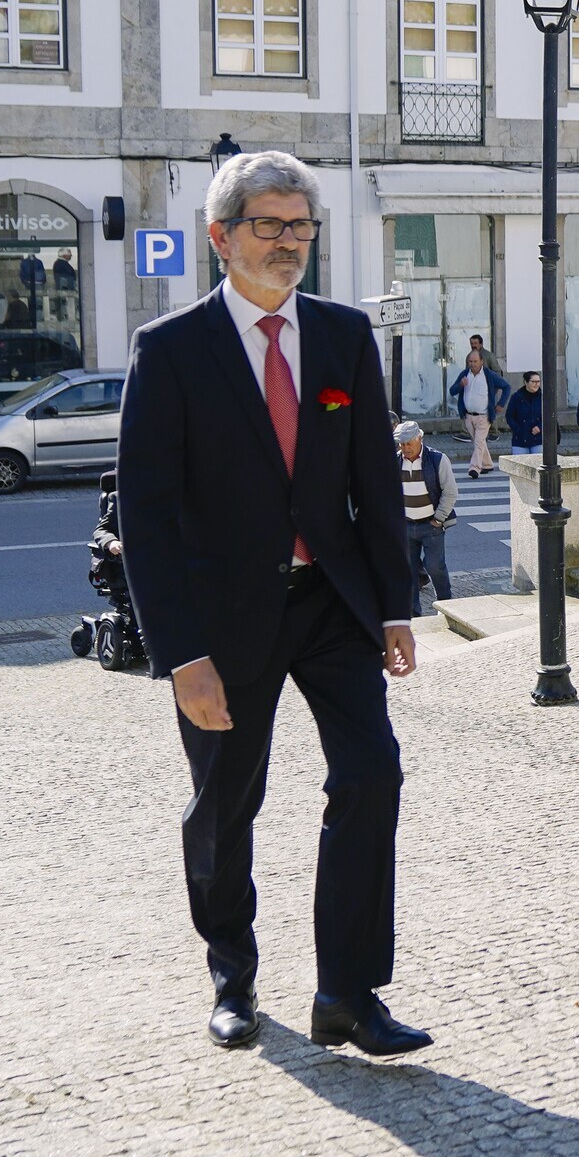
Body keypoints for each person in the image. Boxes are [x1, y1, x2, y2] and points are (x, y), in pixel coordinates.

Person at [115, 148, 431, 1058]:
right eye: (269, 225)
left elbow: (373, 481)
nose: (289, 241)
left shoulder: (341, 336)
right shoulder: (170, 350)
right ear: (221, 237)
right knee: (226, 802)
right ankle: (232, 976)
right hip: (222, 620)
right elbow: (146, 515)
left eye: (301, 226)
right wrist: (182, 656)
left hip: (331, 603)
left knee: (372, 775)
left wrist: (395, 607)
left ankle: (349, 993)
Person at [396, 421, 457, 609]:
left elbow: (450, 492)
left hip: (431, 525)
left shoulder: (437, 459)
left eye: (409, 443)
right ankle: (414, 613)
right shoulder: (393, 460)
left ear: (420, 439)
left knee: (435, 566)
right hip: (406, 524)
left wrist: (439, 518)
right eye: (402, 444)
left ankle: (446, 605)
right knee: (408, 570)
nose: (405, 448)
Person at [448, 351, 509, 477]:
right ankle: (487, 464)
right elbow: (452, 391)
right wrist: (460, 385)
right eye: (470, 361)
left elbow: (506, 387)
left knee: (479, 442)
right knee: (479, 442)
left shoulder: (489, 375)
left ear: (481, 361)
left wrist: (501, 403)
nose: (473, 364)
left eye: (475, 361)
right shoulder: (464, 374)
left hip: (484, 416)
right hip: (468, 416)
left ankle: (475, 467)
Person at [506, 371, 545, 455]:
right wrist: (517, 429)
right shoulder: (516, 397)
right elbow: (509, 416)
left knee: (538, 462)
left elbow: (549, 416)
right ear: (526, 382)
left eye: (538, 382)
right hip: (520, 439)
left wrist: (540, 427)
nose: (536, 384)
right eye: (533, 382)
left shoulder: (543, 397)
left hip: (538, 438)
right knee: (519, 462)